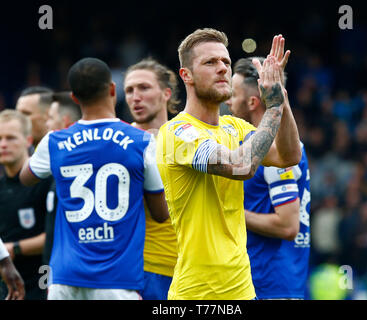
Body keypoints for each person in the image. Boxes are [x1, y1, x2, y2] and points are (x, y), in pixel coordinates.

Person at [156, 28, 301, 300]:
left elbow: (288, 156)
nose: (222, 68)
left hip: (243, 290)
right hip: (198, 294)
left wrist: (280, 98)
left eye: (225, 62)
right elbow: (241, 166)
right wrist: (271, 109)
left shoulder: (234, 126)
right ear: (185, 75)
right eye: (210, 63)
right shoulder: (176, 133)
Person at [20, 57, 169, 300]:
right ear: (113, 90)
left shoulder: (54, 142)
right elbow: (161, 214)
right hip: (116, 280)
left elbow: (26, 177)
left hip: (64, 280)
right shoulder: (141, 142)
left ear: (75, 98)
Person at [226, 47, 311, 299]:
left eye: (233, 94)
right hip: (267, 282)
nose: (227, 101)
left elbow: (287, 225)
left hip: (272, 284)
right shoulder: (259, 146)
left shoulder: (274, 151)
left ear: (252, 102)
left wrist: (230, 212)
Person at [124, 58, 179, 300]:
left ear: (166, 93)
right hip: (143, 269)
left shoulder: (190, 138)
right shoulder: (121, 142)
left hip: (193, 271)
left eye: (144, 88)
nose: (135, 96)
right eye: (129, 90)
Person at [0, 110, 52, 300]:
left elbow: (54, 235)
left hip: (42, 282)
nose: (3, 144)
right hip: (7, 285)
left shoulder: (45, 183)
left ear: (28, 140)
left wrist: (15, 247)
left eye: (11, 138)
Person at [42, 92, 82, 266]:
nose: (47, 124)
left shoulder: (70, 171)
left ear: (65, 122)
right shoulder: (51, 166)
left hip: (70, 271)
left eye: (50, 118)